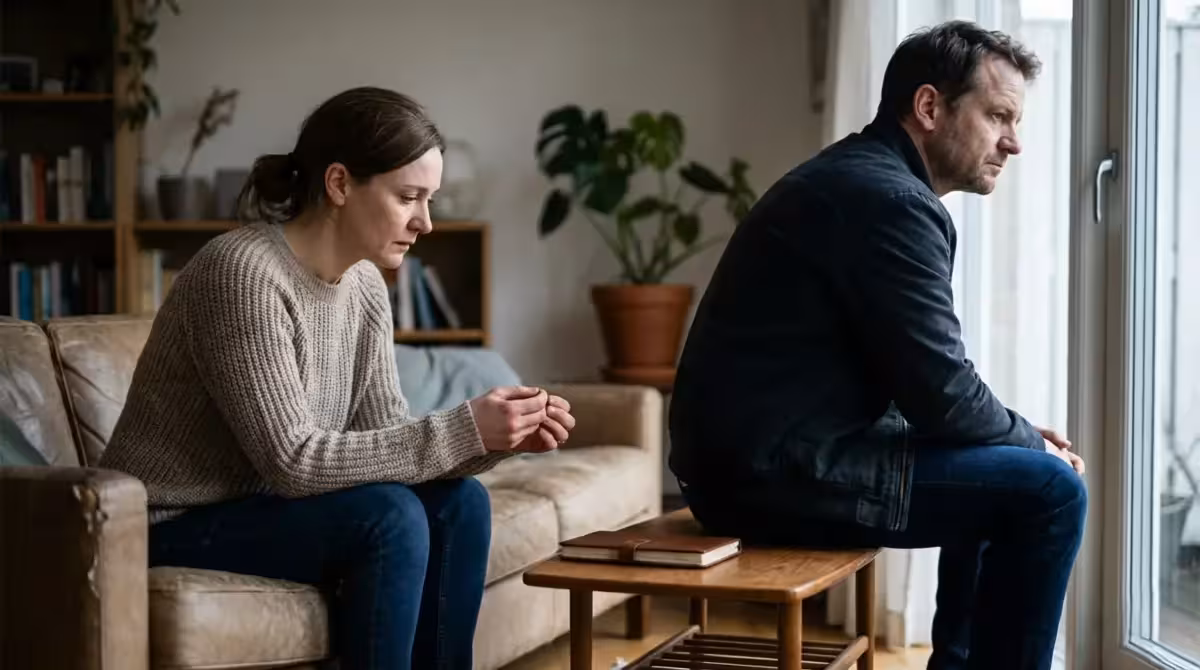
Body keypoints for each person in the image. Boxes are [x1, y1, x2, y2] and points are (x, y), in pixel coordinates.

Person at [100, 86, 575, 670]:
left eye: (429, 200)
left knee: (460, 504)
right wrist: (464, 429)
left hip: (261, 508)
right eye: (409, 197)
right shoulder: (242, 274)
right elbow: (293, 461)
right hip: (166, 523)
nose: (425, 222)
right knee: (389, 518)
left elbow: (389, 444)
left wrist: (492, 441)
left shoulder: (366, 287)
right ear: (340, 184)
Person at [668, 20, 1085, 670]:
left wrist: (1015, 434)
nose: (1015, 142)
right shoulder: (890, 202)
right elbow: (941, 396)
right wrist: (1030, 441)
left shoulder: (864, 179)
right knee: (1049, 491)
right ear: (928, 107)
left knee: (1006, 468)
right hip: (769, 474)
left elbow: (932, 386)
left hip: (753, 458)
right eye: (999, 115)